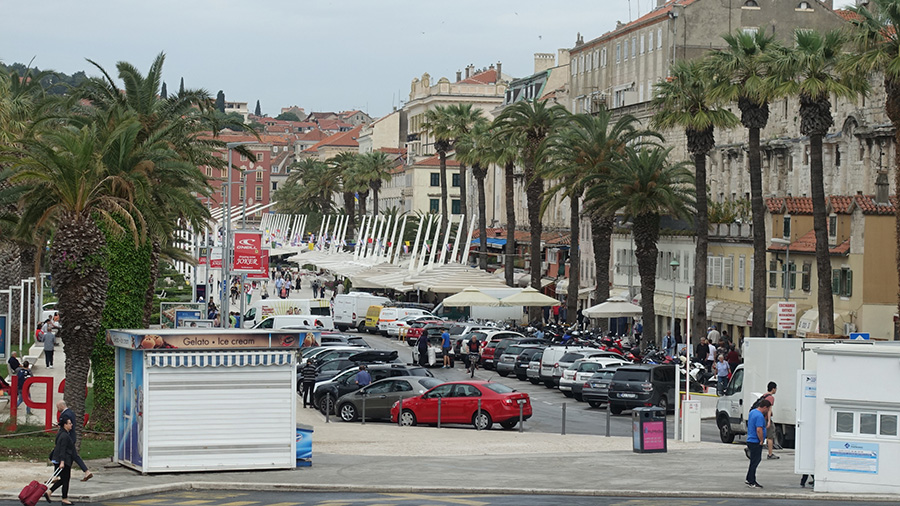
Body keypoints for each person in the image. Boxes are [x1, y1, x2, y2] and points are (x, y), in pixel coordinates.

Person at [56, 401, 93, 482]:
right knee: (74, 455)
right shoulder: (71, 412)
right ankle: (86, 471)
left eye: (58, 407)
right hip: (72, 437)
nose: (57, 409)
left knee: (59, 454)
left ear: (62, 406)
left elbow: (63, 426)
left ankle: (58, 475)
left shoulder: (65, 415)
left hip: (67, 438)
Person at [47, 416, 79, 505]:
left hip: (58, 459)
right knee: (66, 479)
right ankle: (63, 498)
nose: (71, 425)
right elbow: (62, 449)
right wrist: (62, 461)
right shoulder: (65, 436)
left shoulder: (61, 433)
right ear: (65, 425)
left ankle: (50, 492)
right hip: (64, 460)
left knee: (64, 479)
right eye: (69, 423)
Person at [745, 397, 771, 489]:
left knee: (754, 461)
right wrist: (761, 440)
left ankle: (750, 478)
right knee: (755, 461)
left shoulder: (752, 412)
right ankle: (751, 480)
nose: (767, 411)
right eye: (768, 409)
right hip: (755, 441)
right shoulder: (759, 416)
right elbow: (759, 429)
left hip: (750, 439)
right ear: (764, 407)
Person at [762, 381, 779, 459]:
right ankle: (770, 454)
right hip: (766, 418)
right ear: (773, 389)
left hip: (761, 418)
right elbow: (769, 410)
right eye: (775, 388)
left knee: (761, 435)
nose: (776, 390)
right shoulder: (771, 398)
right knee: (770, 436)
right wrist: (769, 421)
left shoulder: (764, 396)